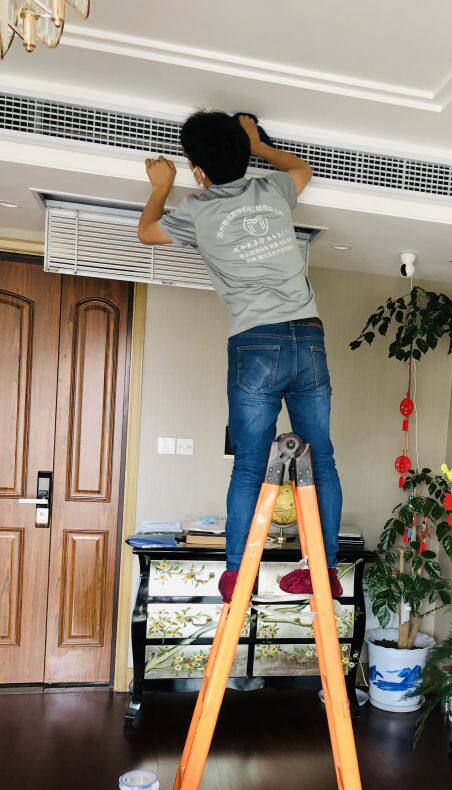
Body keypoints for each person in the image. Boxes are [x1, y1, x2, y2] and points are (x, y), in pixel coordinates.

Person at [138, 112, 343, 602]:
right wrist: (260, 144)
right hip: (308, 337)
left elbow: (147, 232)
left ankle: (238, 575)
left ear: (197, 170)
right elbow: (303, 170)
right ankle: (325, 569)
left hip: (255, 343)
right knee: (322, 457)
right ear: (244, 155)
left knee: (251, 464)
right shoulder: (272, 190)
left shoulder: (196, 208)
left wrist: (161, 187)